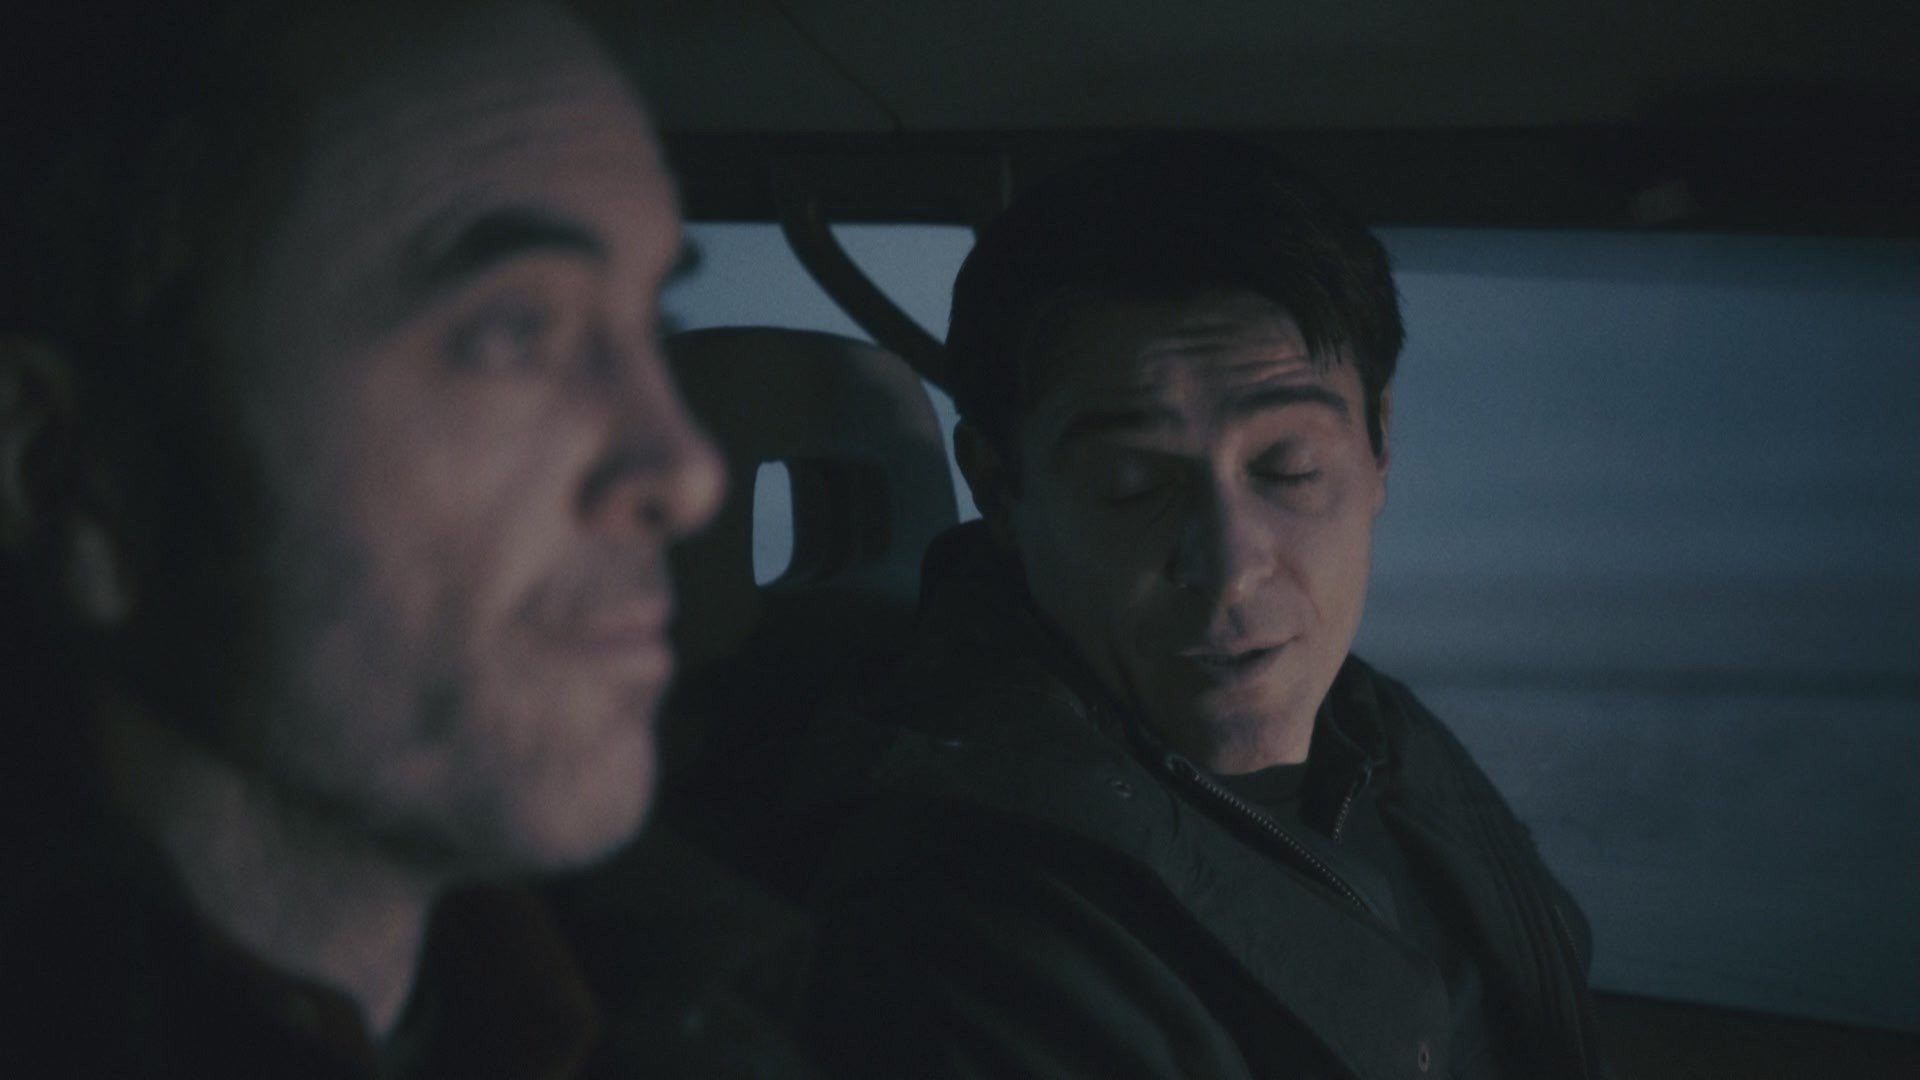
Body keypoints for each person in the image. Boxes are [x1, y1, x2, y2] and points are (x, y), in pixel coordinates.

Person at [0, 1, 773, 1075]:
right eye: (514, 334)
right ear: (76, 477)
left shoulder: (691, 1019)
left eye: (656, 327)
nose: (689, 472)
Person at [800, 143, 1607, 1079]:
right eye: (1132, 485)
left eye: (1290, 468)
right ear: (1000, 487)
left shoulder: (1377, 731)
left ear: (1379, 444)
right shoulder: (967, 926)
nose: (1229, 569)